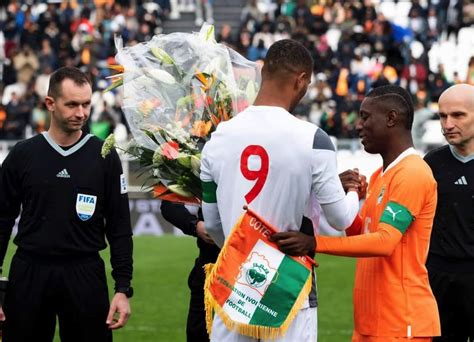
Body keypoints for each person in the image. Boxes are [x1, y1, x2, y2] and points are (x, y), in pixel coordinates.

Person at [200, 39, 360, 341]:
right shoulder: (314, 139)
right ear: (301, 80)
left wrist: (243, 250)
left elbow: (212, 225)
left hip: (235, 283)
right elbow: (340, 220)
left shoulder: (217, 138)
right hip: (289, 286)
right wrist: (353, 193)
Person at [0, 66, 133, 342]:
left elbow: (119, 226)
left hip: (84, 273)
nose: (81, 113)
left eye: (86, 104)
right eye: (72, 104)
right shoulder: (23, 154)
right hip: (30, 271)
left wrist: (122, 287)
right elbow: (1, 220)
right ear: (50, 103)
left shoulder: (104, 155)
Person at [315, 85, 441, 342]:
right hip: (371, 321)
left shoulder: (413, 173)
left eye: (365, 117)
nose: (358, 126)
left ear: (391, 118)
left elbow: (384, 242)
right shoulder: (379, 175)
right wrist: (347, 196)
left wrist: (313, 243)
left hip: (401, 322)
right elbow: (363, 232)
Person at [424, 83, 474, 342]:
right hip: (437, 278)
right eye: (443, 116)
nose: (447, 124)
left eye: (457, 115)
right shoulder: (432, 163)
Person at [160, 201, 219, 342]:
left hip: (260, 265)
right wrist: (195, 225)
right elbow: (169, 204)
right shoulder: (202, 178)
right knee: (199, 334)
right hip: (209, 268)